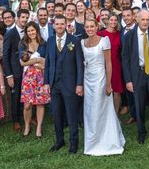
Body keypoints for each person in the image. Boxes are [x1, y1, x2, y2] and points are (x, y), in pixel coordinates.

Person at [81, 19, 125, 155]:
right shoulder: (82, 42)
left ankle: (107, 140)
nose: (89, 29)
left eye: (92, 26)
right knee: (90, 110)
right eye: (87, 27)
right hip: (87, 79)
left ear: (97, 27)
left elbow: (109, 63)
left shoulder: (104, 40)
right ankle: (92, 141)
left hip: (101, 78)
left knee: (101, 108)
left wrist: (108, 84)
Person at [122, 10, 149, 143]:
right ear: (137, 20)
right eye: (143, 19)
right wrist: (128, 80)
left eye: (148, 19)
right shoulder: (129, 36)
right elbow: (125, 59)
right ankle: (141, 131)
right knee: (139, 104)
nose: (145, 22)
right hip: (137, 74)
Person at [44, 15, 85, 154]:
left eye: (62, 24)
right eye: (58, 24)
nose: (60, 26)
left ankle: (74, 143)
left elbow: (80, 64)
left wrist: (79, 84)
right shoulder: (49, 41)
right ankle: (59, 140)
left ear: (66, 25)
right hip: (54, 84)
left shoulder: (74, 40)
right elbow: (47, 63)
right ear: (54, 25)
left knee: (71, 114)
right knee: (56, 114)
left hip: (70, 84)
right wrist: (46, 83)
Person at [19, 22, 50, 138]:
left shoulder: (44, 44)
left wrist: (39, 61)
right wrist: (38, 59)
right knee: (27, 105)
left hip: (41, 76)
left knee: (40, 103)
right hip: (28, 77)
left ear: (37, 31)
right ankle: (27, 125)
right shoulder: (23, 44)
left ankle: (39, 127)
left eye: (33, 30)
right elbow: (22, 62)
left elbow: (47, 61)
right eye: (29, 31)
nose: (31, 33)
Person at [2, 9, 30, 132]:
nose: (24, 20)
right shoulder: (10, 33)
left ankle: (28, 117)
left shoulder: (29, 31)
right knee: (16, 95)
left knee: (27, 94)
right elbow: (5, 55)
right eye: (22, 17)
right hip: (15, 70)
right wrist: (9, 75)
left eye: (26, 17)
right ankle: (16, 121)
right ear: (17, 18)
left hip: (28, 68)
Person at [98, 14, 124, 114]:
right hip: (103, 64)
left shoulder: (119, 34)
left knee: (116, 90)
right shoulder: (100, 34)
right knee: (103, 88)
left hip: (116, 64)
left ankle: (115, 113)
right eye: (111, 20)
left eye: (115, 20)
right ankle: (104, 113)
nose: (113, 22)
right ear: (107, 21)